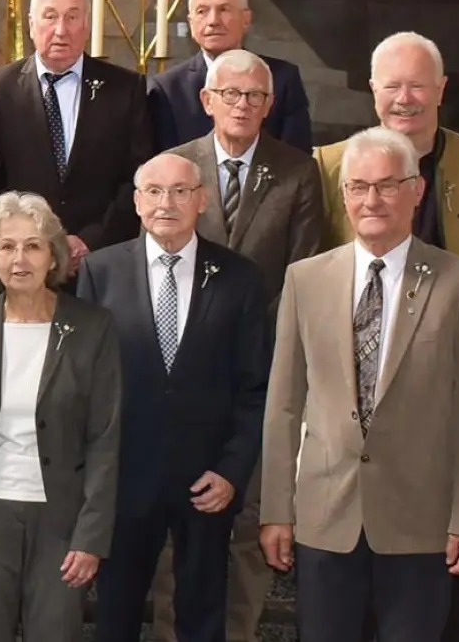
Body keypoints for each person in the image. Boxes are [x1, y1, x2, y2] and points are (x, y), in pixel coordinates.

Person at [260, 127, 459, 642]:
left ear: (416, 191)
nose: (372, 200)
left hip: (421, 523)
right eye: (358, 186)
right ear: (343, 194)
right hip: (325, 521)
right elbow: (282, 408)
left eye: (388, 185)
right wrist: (277, 510)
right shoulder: (304, 280)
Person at [152, 47, 323, 642]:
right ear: (207, 100)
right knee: (179, 524)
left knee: (252, 518)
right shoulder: (173, 166)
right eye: (231, 94)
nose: (243, 105)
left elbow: (300, 273)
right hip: (184, 372)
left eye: (255, 96)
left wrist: (256, 350)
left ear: (270, 105)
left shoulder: (298, 171)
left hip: (265, 371)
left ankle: (241, 633)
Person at [75, 153, 270, 642]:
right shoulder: (100, 272)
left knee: (203, 615)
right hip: (123, 479)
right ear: (138, 202)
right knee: (115, 616)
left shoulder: (241, 277)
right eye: (155, 191)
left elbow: (255, 388)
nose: (168, 202)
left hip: (205, 482)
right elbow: (84, 385)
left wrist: (231, 470)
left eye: (181, 191)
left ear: (202, 200)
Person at [0, 192, 122, 642]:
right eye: (7, 246)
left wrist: (91, 536)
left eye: (33, 246)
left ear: (53, 255)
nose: (20, 259)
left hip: (62, 520)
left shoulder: (93, 327)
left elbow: (105, 441)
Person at [0, 0, 152, 281]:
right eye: (50, 16)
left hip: (103, 261)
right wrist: (35, 242)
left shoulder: (125, 88)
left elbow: (138, 177)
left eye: (72, 17)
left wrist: (91, 240)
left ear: (87, 24)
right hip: (25, 265)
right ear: (31, 23)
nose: (61, 30)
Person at [315, 31, 459, 293]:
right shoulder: (328, 164)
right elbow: (317, 257)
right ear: (374, 90)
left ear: (440, 89)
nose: (404, 99)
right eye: (392, 86)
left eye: (417, 86)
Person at [147, 0, 313, 153]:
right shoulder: (166, 89)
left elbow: (297, 162)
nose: (213, 21)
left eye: (224, 9)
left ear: (246, 19)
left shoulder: (282, 79)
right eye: (202, 11)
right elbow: (161, 167)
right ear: (191, 22)